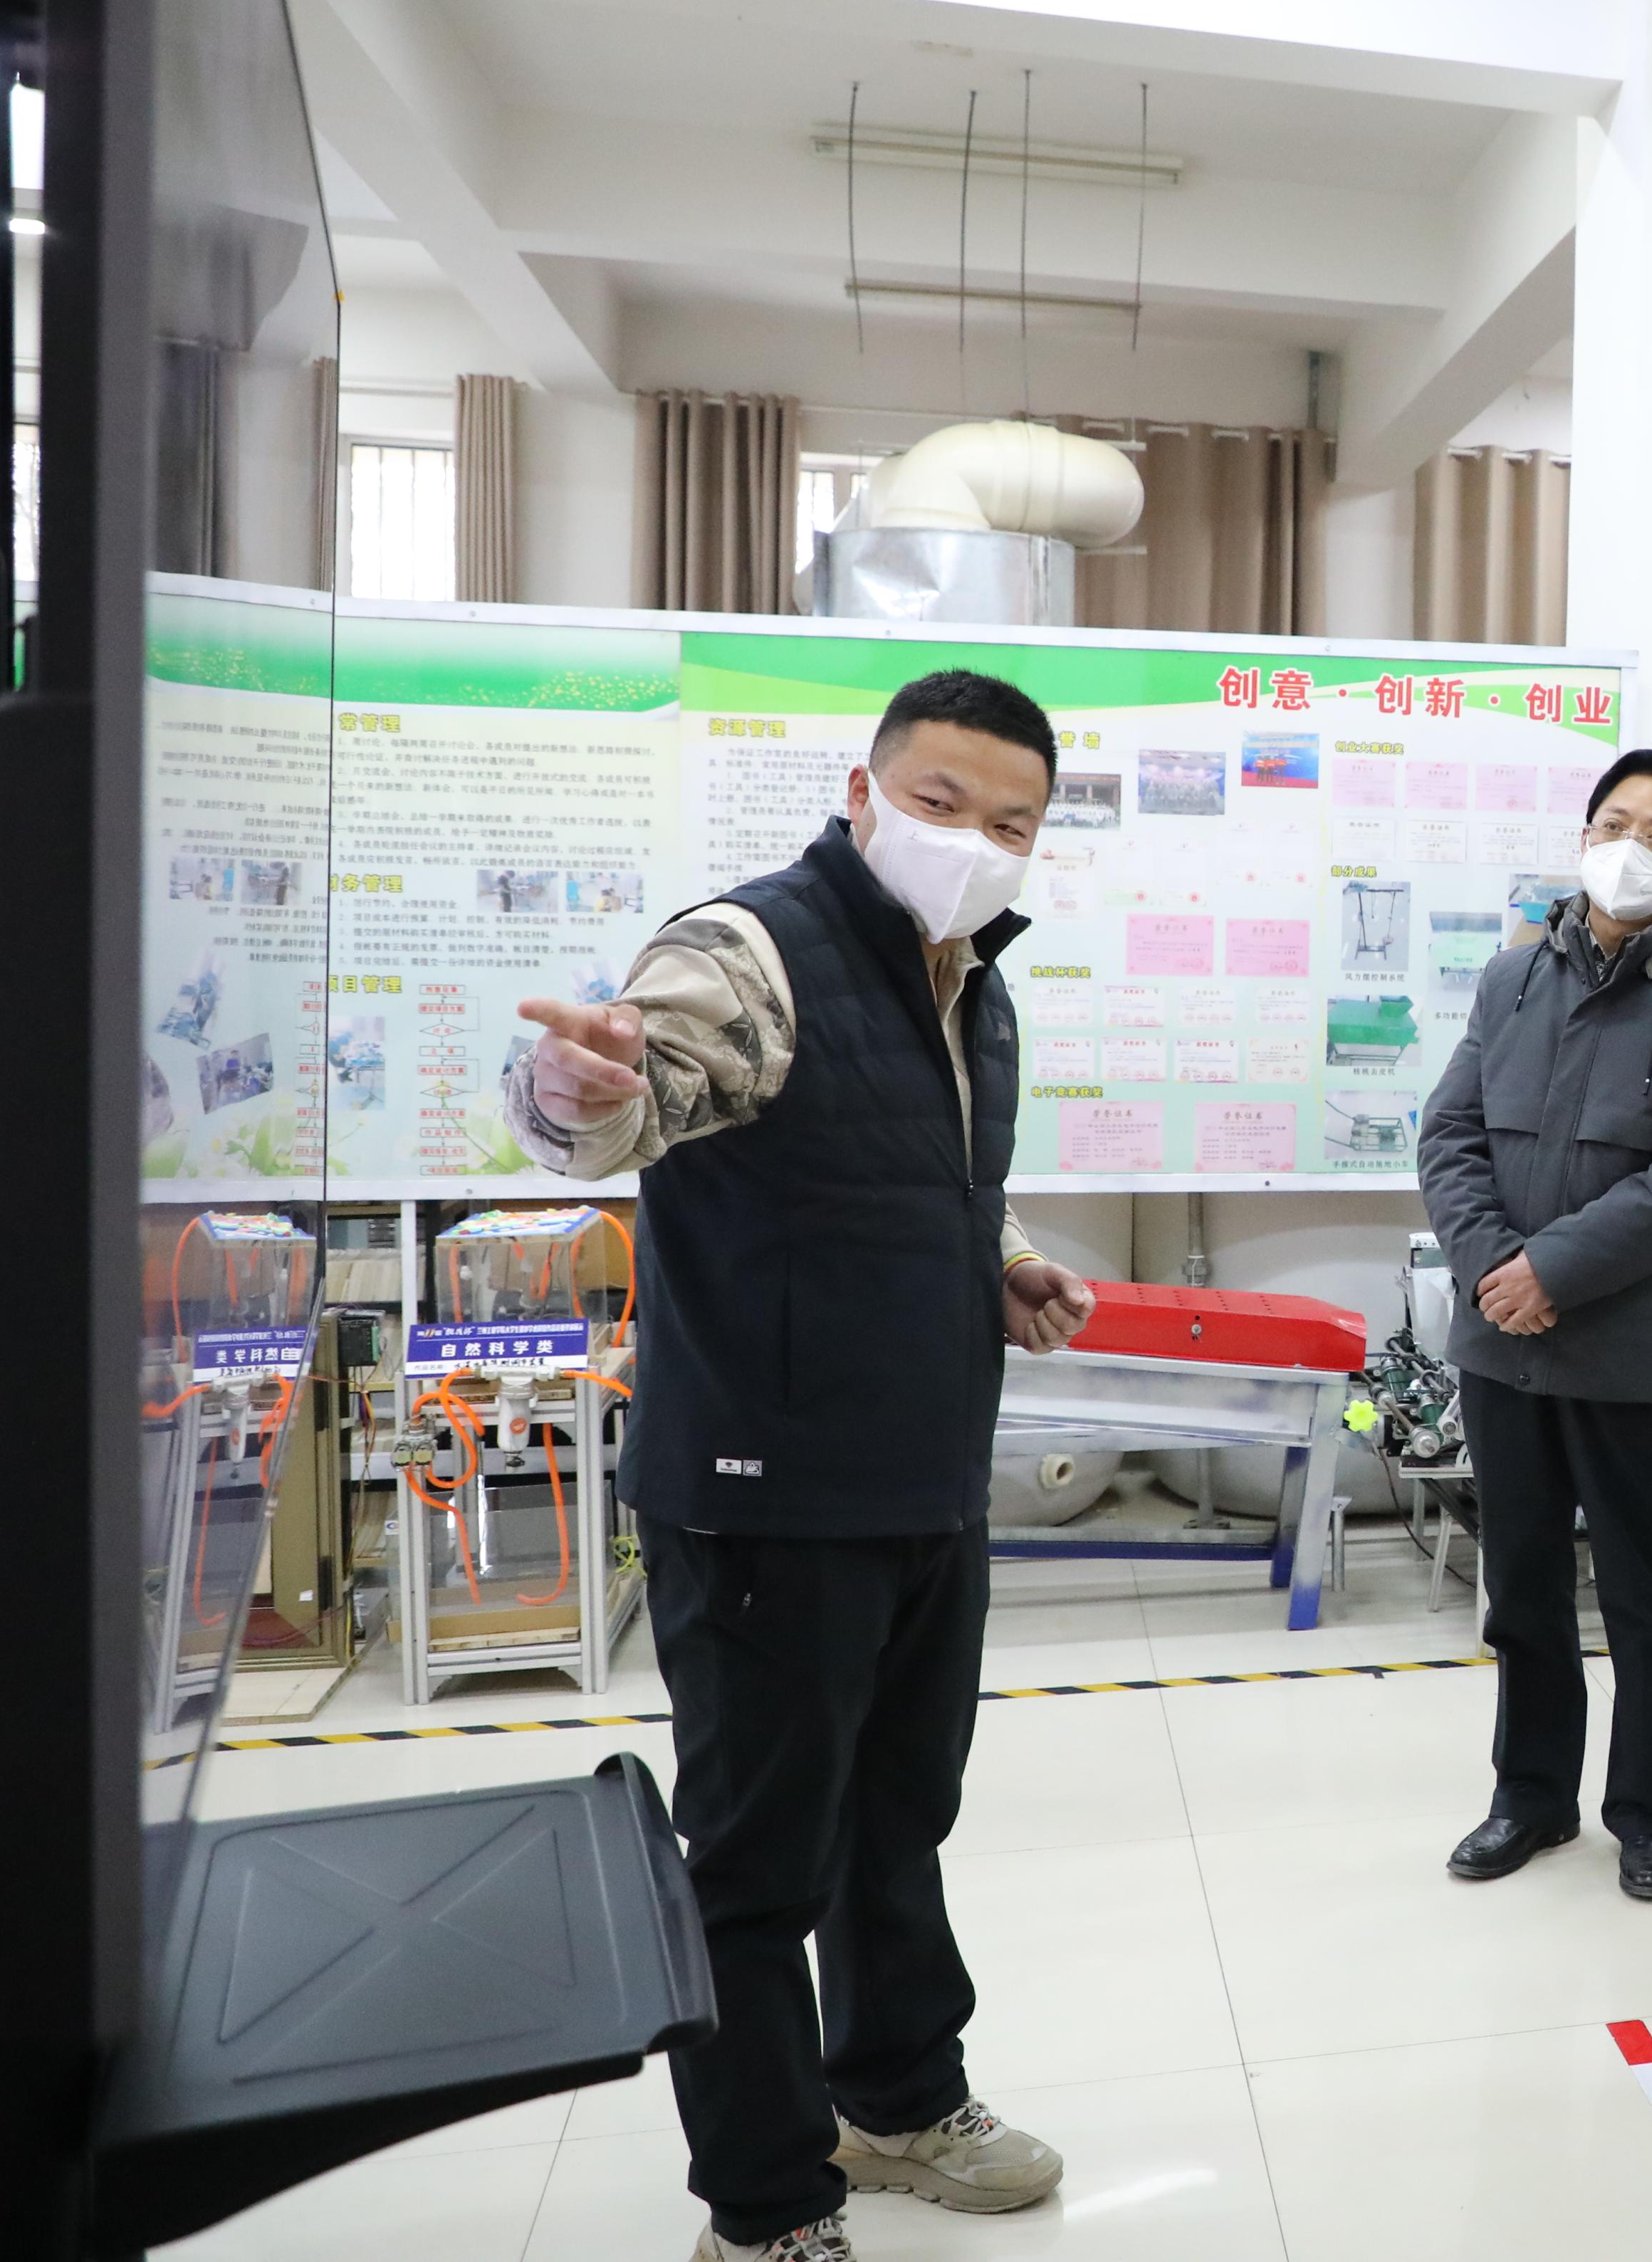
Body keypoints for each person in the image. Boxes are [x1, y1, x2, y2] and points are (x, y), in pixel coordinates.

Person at [504, 671, 1096, 2262]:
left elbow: (918, 1170)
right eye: (942, 802)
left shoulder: (969, 978)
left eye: (1012, 822)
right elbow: (628, 1099)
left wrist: (1002, 1260)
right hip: (766, 1491)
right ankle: (765, 2205)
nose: (973, 840)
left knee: (897, 1819)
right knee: (760, 1866)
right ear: (863, 792)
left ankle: (896, 2096)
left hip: (921, 1479)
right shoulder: (748, 950)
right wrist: (576, 1087)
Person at [1418, 748, 1652, 1903]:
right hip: (1503, 1345)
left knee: (1645, 1597)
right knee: (1520, 1591)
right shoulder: (1512, 978)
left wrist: (1554, 1272)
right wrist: (1494, 1269)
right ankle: (1529, 1796)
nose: (1629, 848)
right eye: (1613, 823)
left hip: (1629, 1351)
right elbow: (1450, 1135)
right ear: (1582, 838)